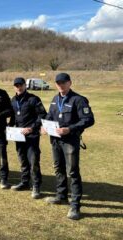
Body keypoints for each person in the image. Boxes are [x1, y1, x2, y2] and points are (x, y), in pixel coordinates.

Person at [42, 73, 94, 220]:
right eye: (58, 83)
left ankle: (75, 206)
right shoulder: (54, 99)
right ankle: (61, 196)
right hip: (55, 140)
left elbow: (89, 119)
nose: (60, 85)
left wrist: (70, 129)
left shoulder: (78, 100)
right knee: (58, 168)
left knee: (72, 172)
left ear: (70, 83)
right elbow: (49, 117)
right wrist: (44, 126)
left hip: (70, 141)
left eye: (63, 82)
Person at [9, 77, 47, 198]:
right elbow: (14, 117)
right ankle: (25, 182)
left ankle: (36, 186)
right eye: (16, 85)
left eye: (20, 85)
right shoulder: (13, 100)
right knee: (22, 160)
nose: (18, 87)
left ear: (25, 85)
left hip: (32, 135)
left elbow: (42, 115)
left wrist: (32, 128)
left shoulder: (33, 99)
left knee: (33, 161)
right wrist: (9, 128)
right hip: (19, 135)